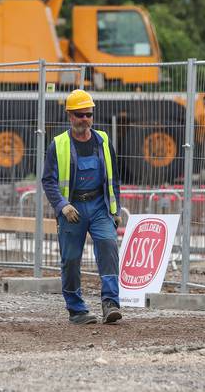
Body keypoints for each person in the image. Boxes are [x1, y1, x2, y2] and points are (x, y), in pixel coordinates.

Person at [42, 89, 122, 325]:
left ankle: (110, 303)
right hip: (72, 210)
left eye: (88, 114)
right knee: (71, 259)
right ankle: (76, 309)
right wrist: (62, 206)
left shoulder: (103, 141)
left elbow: (113, 178)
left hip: (99, 207)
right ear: (70, 116)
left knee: (108, 246)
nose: (85, 119)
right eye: (79, 115)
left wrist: (115, 210)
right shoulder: (58, 145)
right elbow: (48, 180)